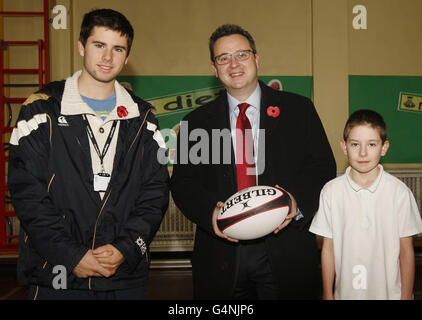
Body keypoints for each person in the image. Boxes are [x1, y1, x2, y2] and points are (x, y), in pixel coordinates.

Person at [7, 9, 169, 300]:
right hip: (57, 274)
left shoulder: (145, 118)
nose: (107, 57)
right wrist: (72, 255)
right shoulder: (39, 110)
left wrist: (126, 248)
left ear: (127, 57)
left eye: (117, 49)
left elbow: (154, 195)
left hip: (123, 274)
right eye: (99, 45)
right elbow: (27, 194)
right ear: (81, 46)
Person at [170, 24, 336, 299]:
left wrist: (295, 202)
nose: (233, 64)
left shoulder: (299, 110)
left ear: (256, 59)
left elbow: (322, 167)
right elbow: (183, 183)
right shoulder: (196, 122)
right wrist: (210, 214)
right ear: (214, 68)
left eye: (241, 55)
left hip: (286, 250)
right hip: (221, 255)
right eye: (223, 58)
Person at [309, 109, 422, 300]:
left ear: (384, 147)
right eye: (355, 144)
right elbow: (328, 249)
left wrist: (405, 297)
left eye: (371, 144)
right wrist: (328, 295)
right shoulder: (331, 192)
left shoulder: (399, 192)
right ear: (344, 147)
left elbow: (406, 251)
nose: (362, 152)